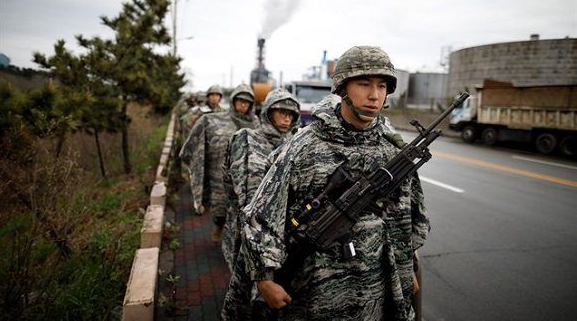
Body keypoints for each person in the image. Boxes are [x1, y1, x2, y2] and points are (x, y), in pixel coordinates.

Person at [239, 46, 429, 320]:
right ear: (342, 89)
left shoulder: (392, 150)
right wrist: (264, 278)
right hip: (316, 297)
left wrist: (406, 265)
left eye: (382, 86)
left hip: (377, 294)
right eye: (364, 84)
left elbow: (410, 214)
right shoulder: (304, 147)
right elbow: (262, 216)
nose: (374, 95)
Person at [221, 88, 301, 269]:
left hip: (281, 233)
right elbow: (229, 181)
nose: (287, 119)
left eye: (291, 114)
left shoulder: (295, 144)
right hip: (244, 224)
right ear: (268, 113)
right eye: (282, 113)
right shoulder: (246, 139)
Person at [180, 83, 260, 242]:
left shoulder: (256, 123)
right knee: (219, 207)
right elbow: (192, 140)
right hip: (220, 174)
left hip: (247, 178)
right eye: (240, 101)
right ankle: (218, 226)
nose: (243, 104)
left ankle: (239, 240)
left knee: (245, 211)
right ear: (233, 101)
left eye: (247, 102)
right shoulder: (214, 119)